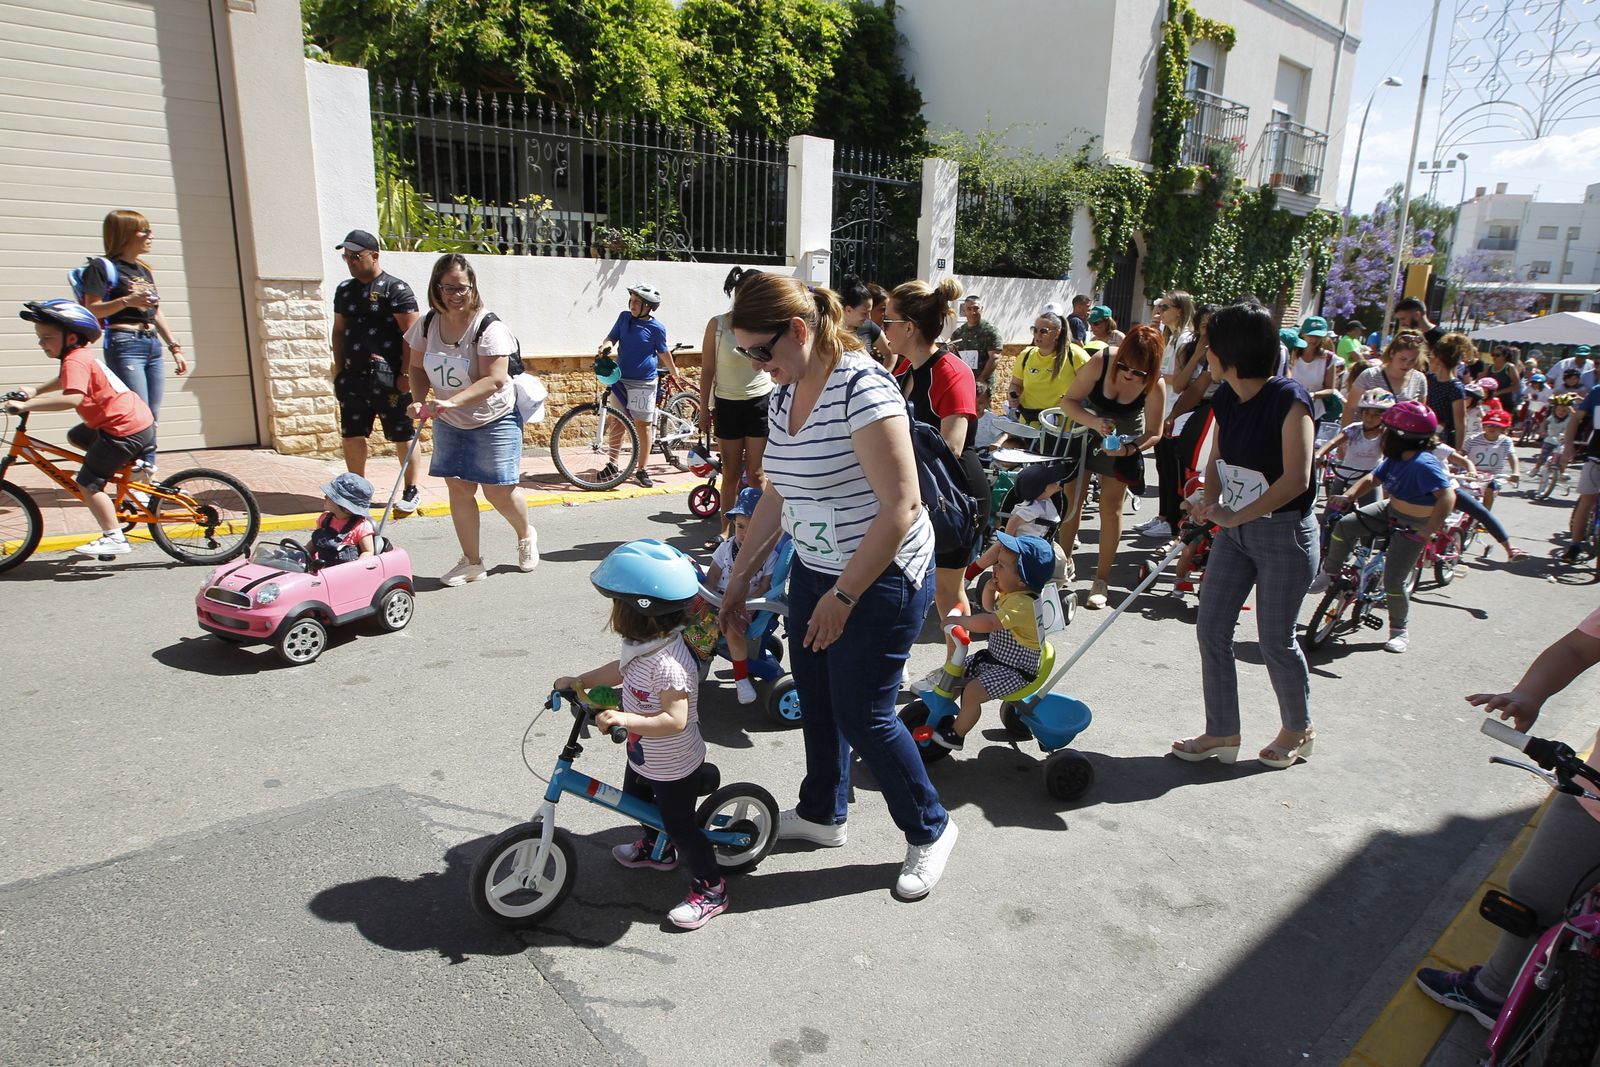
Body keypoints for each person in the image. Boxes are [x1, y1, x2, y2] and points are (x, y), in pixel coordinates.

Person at [718, 272, 956, 902]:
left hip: (880, 575)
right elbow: (777, 493)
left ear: (799, 331)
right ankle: (824, 814)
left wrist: (844, 595)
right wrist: (740, 576)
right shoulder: (783, 392)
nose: (755, 365)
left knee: (865, 713)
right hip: (819, 567)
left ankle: (931, 829)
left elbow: (901, 505)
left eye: (760, 351)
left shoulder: (862, 390)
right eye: (744, 353)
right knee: (819, 698)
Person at [1414, 607, 1600, 1028]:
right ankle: (1493, 991)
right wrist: (1529, 694)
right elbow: (1576, 648)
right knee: (1535, 893)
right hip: (1594, 798)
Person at [554, 540, 728, 930]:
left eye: (617, 606)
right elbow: (620, 670)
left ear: (642, 612)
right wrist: (579, 680)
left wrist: (624, 719)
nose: (613, 614)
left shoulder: (669, 665)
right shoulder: (645, 643)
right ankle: (655, 847)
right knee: (635, 802)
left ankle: (711, 887)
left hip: (672, 761)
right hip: (644, 753)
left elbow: (675, 720)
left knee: (682, 826)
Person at [1175, 302, 1317, 768]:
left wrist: (1237, 515)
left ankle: (1298, 730)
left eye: (1209, 345)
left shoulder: (1290, 399)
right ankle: (1222, 733)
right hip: (1235, 531)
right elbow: (1219, 456)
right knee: (1211, 629)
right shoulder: (1225, 397)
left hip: (1284, 535)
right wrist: (1205, 500)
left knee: (1276, 640)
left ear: (1228, 351)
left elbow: (1296, 479)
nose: (1204, 353)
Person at [404, 254, 538, 585]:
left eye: (462, 287)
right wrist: (419, 402)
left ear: (472, 287)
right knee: (459, 488)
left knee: (498, 492)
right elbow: (417, 368)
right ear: (436, 288)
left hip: (493, 418)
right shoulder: (427, 324)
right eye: (448, 287)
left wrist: (450, 401)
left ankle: (525, 535)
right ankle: (472, 562)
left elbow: (494, 379)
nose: (456, 294)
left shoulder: (489, 327)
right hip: (450, 420)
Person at [886, 279, 989, 691]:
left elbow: (952, 445)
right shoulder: (902, 368)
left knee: (948, 593)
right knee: (897, 586)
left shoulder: (951, 370)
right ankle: (898, 665)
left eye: (889, 320)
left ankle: (954, 672)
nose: (883, 328)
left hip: (951, 496)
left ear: (909, 326)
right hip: (911, 494)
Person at [4, 300, 156, 559]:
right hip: (133, 422)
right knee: (77, 436)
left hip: (122, 429)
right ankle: (133, 469)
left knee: (87, 483)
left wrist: (26, 405)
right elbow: (67, 379)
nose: (41, 343)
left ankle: (114, 537)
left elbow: (71, 398)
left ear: (71, 337)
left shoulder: (75, 360)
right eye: (40, 338)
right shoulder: (78, 357)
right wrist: (35, 390)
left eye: (47, 337)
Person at [1311, 401, 1456, 654]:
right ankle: (1328, 573)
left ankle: (1399, 630)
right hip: (1389, 510)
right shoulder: (1397, 457)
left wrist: (1429, 530)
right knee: (1345, 526)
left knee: (1394, 580)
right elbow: (1372, 478)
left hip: (1416, 523)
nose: (1383, 434)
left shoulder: (1423, 464)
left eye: (1387, 430)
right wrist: (1350, 497)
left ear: (1400, 437)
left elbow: (1447, 496)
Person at [1057, 324, 1168, 609]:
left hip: (1126, 437)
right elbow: (1068, 401)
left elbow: (1155, 432)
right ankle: (1061, 567)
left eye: (1140, 372)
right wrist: (1094, 421)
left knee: (1111, 506)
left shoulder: (1156, 385)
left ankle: (1101, 579)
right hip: (1087, 430)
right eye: (1125, 367)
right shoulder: (1101, 360)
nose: (1130, 375)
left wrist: (1129, 449)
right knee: (1073, 500)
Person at [77, 209, 188, 472]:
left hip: (151, 344)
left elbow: (156, 310)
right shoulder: (102, 268)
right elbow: (91, 308)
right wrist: (127, 301)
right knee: (136, 413)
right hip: (125, 343)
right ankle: (131, 470)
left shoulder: (143, 269)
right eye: (144, 231)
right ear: (125, 235)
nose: (151, 236)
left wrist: (174, 348)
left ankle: (146, 471)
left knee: (151, 414)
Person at [930, 533, 1054, 752]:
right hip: (997, 660)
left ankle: (956, 734)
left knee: (973, 692)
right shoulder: (1014, 592)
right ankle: (944, 709)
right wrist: (989, 589)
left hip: (1016, 670)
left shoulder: (1022, 603)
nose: (995, 568)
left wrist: (960, 620)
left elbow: (989, 622)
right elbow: (990, 608)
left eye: (1002, 566)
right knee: (955, 671)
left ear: (1022, 579)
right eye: (997, 563)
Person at [327, 229, 422, 513]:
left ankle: (411, 489)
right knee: (352, 434)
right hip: (353, 377)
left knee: (402, 435)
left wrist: (406, 375)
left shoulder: (397, 290)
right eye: (346, 257)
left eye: (356, 256)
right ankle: (357, 491)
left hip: (391, 379)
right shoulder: (344, 290)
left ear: (374, 255)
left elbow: (412, 336)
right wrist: (339, 367)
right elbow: (339, 330)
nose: (350, 262)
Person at [698, 267, 772, 545]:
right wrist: (704, 409)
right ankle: (726, 531)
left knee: (756, 474)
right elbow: (707, 370)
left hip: (759, 402)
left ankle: (758, 531)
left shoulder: (766, 324)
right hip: (727, 405)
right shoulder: (717, 325)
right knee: (729, 473)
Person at [1145, 305, 1219, 542]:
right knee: (1168, 467)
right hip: (1186, 409)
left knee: (1195, 470)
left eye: (1212, 325)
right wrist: (1197, 354)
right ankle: (1167, 518)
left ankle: (1182, 523)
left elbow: (1204, 386)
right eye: (1204, 325)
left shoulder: (1221, 350)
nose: (1207, 331)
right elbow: (1180, 385)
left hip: (1209, 411)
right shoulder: (1189, 347)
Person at [698, 487, 776, 704]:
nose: (744, 533)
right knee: (691, 623)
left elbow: (764, 586)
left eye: (752, 528)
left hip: (745, 605)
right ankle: (700, 662)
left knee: (731, 630)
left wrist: (747, 604)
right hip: (717, 599)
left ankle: (741, 679)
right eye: (739, 526)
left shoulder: (769, 555)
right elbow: (712, 576)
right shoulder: (725, 548)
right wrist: (708, 599)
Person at [598, 283, 678, 487]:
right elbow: (611, 337)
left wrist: (675, 371)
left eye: (637, 302)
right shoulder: (624, 318)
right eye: (631, 301)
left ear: (648, 306)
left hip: (643, 383)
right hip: (620, 379)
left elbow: (663, 351)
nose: (632, 305)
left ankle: (642, 469)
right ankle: (613, 464)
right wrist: (606, 345)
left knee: (642, 426)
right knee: (617, 422)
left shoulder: (656, 328)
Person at [1007, 312, 1089, 426]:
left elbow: (1090, 387)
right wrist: (1012, 394)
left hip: (1062, 427)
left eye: (1043, 331)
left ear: (1057, 333)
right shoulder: (1026, 355)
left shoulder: (1075, 354)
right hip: (1029, 423)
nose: (1037, 335)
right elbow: (1016, 384)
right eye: (1035, 330)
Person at [1316, 389, 1392, 503]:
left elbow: (1390, 454)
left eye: (1376, 415)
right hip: (1344, 476)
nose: (1370, 418)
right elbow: (1334, 442)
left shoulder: (1385, 434)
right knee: (1331, 511)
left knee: (1370, 515)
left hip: (1369, 480)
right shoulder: (1355, 429)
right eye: (1367, 413)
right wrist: (1319, 454)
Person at [1558, 383, 1600, 559]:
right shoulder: (1597, 391)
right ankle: (1575, 544)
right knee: (1587, 498)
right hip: (1597, 453)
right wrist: (1568, 446)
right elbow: (1576, 418)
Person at [1346, 330, 1428, 415]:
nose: (1406, 364)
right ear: (1392, 353)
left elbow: (1421, 413)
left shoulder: (1420, 379)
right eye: (1402, 359)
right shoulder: (1369, 375)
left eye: (1412, 360)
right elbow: (1350, 409)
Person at [310, 473, 377, 568]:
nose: (325, 497)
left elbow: (368, 551)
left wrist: (358, 566)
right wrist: (302, 553)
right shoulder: (324, 519)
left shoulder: (361, 526)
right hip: (322, 569)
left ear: (345, 508)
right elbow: (315, 543)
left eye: (330, 496)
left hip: (345, 573)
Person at [1424, 332, 1472, 450]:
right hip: (1424, 433)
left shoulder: (1455, 387)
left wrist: (1457, 451)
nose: (1429, 359)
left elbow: (1460, 424)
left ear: (1438, 359)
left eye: (1431, 356)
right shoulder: (1428, 378)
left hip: (1442, 440)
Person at [950, 294, 1003, 396]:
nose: (972, 312)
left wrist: (981, 379)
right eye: (969, 309)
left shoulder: (990, 331)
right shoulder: (958, 333)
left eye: (976, 308)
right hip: (963, 384)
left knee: (982, 411)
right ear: (964, 311)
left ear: (981, 309)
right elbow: (954, 357)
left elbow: (995, 357)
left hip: (983, 385)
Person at [838, 274, 889, 370]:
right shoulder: (829, 331)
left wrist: (884, 374)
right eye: (865, 313)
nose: (869, 317)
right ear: (848, 310)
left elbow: (890, 353)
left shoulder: (868, 327)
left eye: (870, 312)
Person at [1487, 344, 1523, 409]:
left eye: (1497, 355)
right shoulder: (1490, 367)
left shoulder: (1509, 367)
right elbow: (1479, 380)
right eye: (1493, 355)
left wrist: (1499, 392)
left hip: (1505, 402)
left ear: (1505, 356)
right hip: (1492, 401)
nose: (1494, 357)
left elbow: (1517, 385)